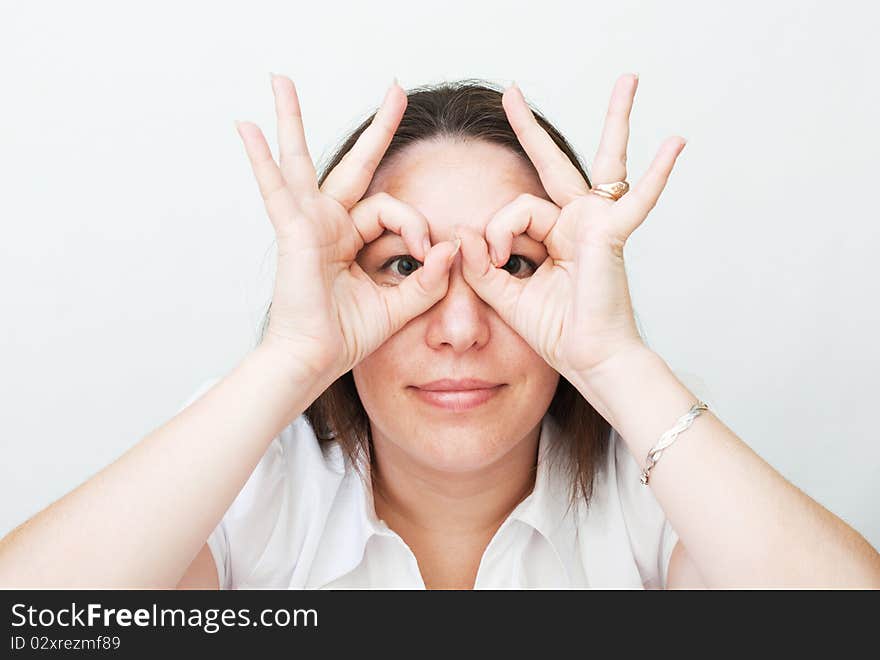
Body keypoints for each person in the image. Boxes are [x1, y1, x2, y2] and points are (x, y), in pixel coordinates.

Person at [1, 73, 878, 589]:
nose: (458, 328)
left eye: (517, 269)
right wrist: (291, 358)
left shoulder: (653, 492)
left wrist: (615, 361)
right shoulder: (259, 483)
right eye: (400, 267)